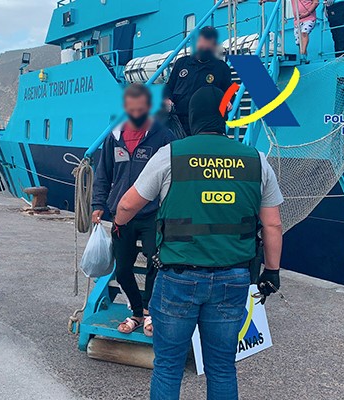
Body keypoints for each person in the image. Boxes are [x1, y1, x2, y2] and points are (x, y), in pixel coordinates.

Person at [114, 86, 285, 400]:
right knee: (221, 367)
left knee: (168, 365)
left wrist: (119, 225)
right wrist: (271, 272)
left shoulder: (170, 154)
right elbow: (272, 223)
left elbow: (127, 205)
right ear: (224, 119)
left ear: (191, 120)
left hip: (178, 277)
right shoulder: (256, 160)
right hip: (233, 276)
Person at [91, 83, 176, 336]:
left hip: (152, 214)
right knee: (122, 269)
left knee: (156, 261)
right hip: (122, 215)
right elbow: (103, 174)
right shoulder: (113, 137)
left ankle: (149, 313)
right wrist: (98, 205)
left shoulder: (162, 137)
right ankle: (137, 313)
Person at [163, 26, 233, 137]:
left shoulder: (221, 68)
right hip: (180, 120)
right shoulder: (182, 63)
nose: (203, 46)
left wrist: (227, 101)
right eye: (201, 41)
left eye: (207, 43)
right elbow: (169, 86)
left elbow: (230, 91)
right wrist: (167, 99)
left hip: (205, 124)